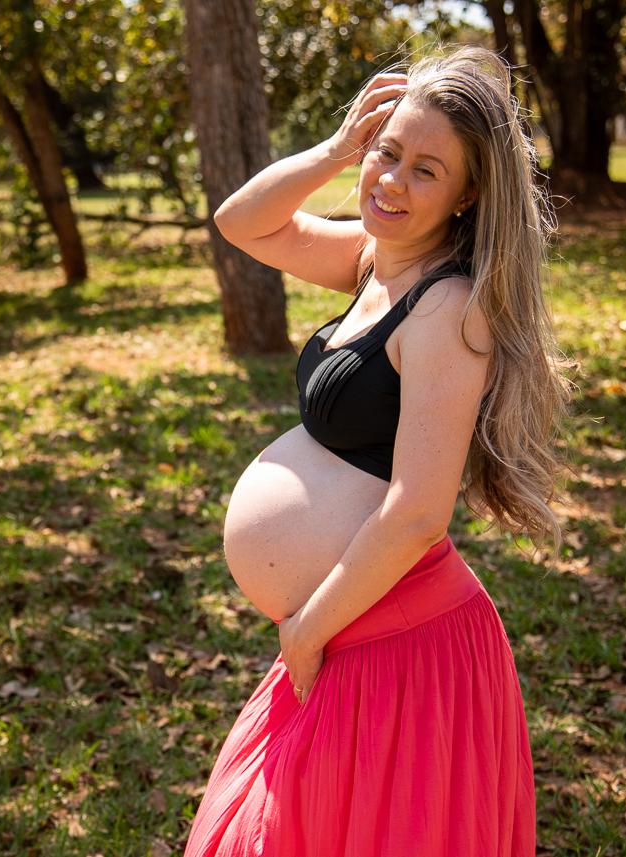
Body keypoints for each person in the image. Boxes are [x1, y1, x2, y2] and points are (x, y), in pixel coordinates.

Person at [184, 46, 571, 857]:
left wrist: (309, 628)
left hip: (392, 635)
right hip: (353, 624)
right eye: (387, 152)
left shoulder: (447, 308)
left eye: (426, 169)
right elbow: (240, 222)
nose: (391, 180)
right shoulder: (373, 263)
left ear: (468, 194)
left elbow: (419, 510)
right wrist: (334, 151)